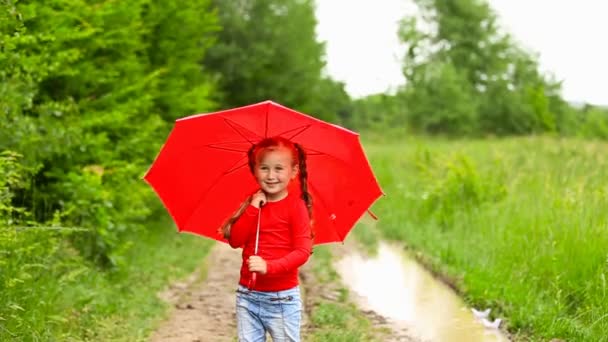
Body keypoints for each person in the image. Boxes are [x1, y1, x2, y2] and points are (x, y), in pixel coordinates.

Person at [219, 136, 313, 342]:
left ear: (293, 172)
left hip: (282, 298)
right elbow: (235, 240)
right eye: (264, 168)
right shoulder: (253, 202)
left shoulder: (296, 207)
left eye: (279, 168)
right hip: (248, 295)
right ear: (254, 170)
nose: (271, 176)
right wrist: (253, 208)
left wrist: (268, 267)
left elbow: (302, 252)